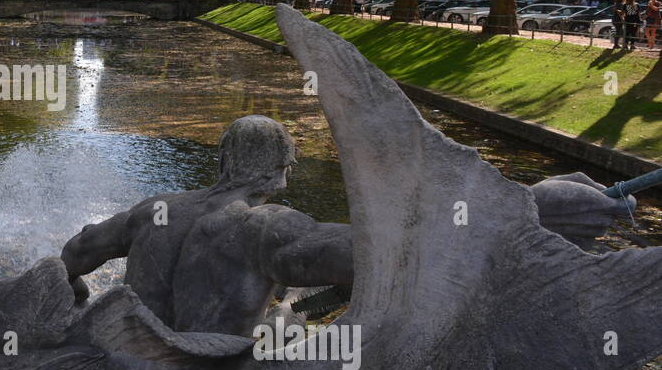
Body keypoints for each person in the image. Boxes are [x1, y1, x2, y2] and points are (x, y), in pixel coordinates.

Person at [61, 115, 637, 337]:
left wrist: (75, 283)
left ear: (223, 159)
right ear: (284, 168)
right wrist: (527, 208)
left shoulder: (155, 208)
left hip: (127, 354)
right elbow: (386, 252)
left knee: (291, 321)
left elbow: (80, 250)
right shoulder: (264, 227)